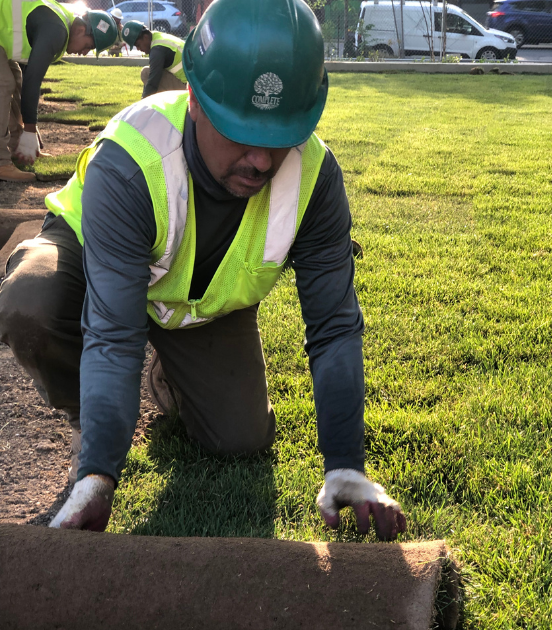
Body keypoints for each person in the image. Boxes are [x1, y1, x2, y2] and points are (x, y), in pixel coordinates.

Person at [0, 0, 407, 541]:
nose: (261, 161)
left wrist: (346, 465)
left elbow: (333, 325)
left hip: (192, 300)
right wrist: (99, 473)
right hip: (91, 260)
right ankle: (88, 416)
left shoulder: (316, 177)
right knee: (31, 304)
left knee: (240, 438)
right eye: (240, 132)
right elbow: (115, 332)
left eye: (280, 136)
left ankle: (170, 376)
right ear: (195, 100)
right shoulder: (131, 159)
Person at [0, 1, 119, 182]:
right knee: (4, 84)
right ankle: (2, 163)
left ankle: (17, 149)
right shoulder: (57, 31)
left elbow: (26, 75)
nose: (85, 52)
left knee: (15, 79)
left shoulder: (61, 22)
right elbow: (34, 77)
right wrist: (30, 129)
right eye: (89, 46)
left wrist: (29, 130)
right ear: (80, 30)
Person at [121, 21, 186, 96]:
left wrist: (142, 105)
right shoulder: (157, 37)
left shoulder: (157, 50)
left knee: (146, 73)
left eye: (138, 45)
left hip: (190, 88)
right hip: (195, 83)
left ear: (145, 37)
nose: (138, 49)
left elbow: (153, 83)